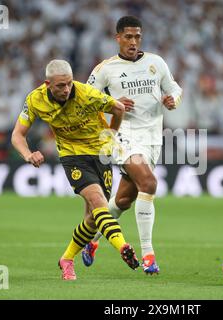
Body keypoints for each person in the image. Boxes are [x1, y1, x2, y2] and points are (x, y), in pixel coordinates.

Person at [11, 59, 139, 281]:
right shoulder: (35, 99)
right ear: (47, 83)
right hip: (72, 156)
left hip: (100, 153)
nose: (66, 89)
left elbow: (118, 108)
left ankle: (67, 258)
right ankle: (123, 247)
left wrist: (110, 136)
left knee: (92, 218)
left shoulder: (87, 93)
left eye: (69, 83)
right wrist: (28, 154)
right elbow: (17, 135)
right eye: (60, 85)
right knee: (99, 202)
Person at [82, 16, 183, 274]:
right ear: (118, 38)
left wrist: (173, 99)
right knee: (149, 183)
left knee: (124, 200)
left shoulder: (156, 62)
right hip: (123, 135)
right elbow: (84, 101)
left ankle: (91, 240)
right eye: (128, 36)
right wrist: (111, 105)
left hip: (152, 138)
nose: (133, 41)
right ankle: (149, 255)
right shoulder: (105, 69)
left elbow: (174, 88)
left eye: (137, 36)